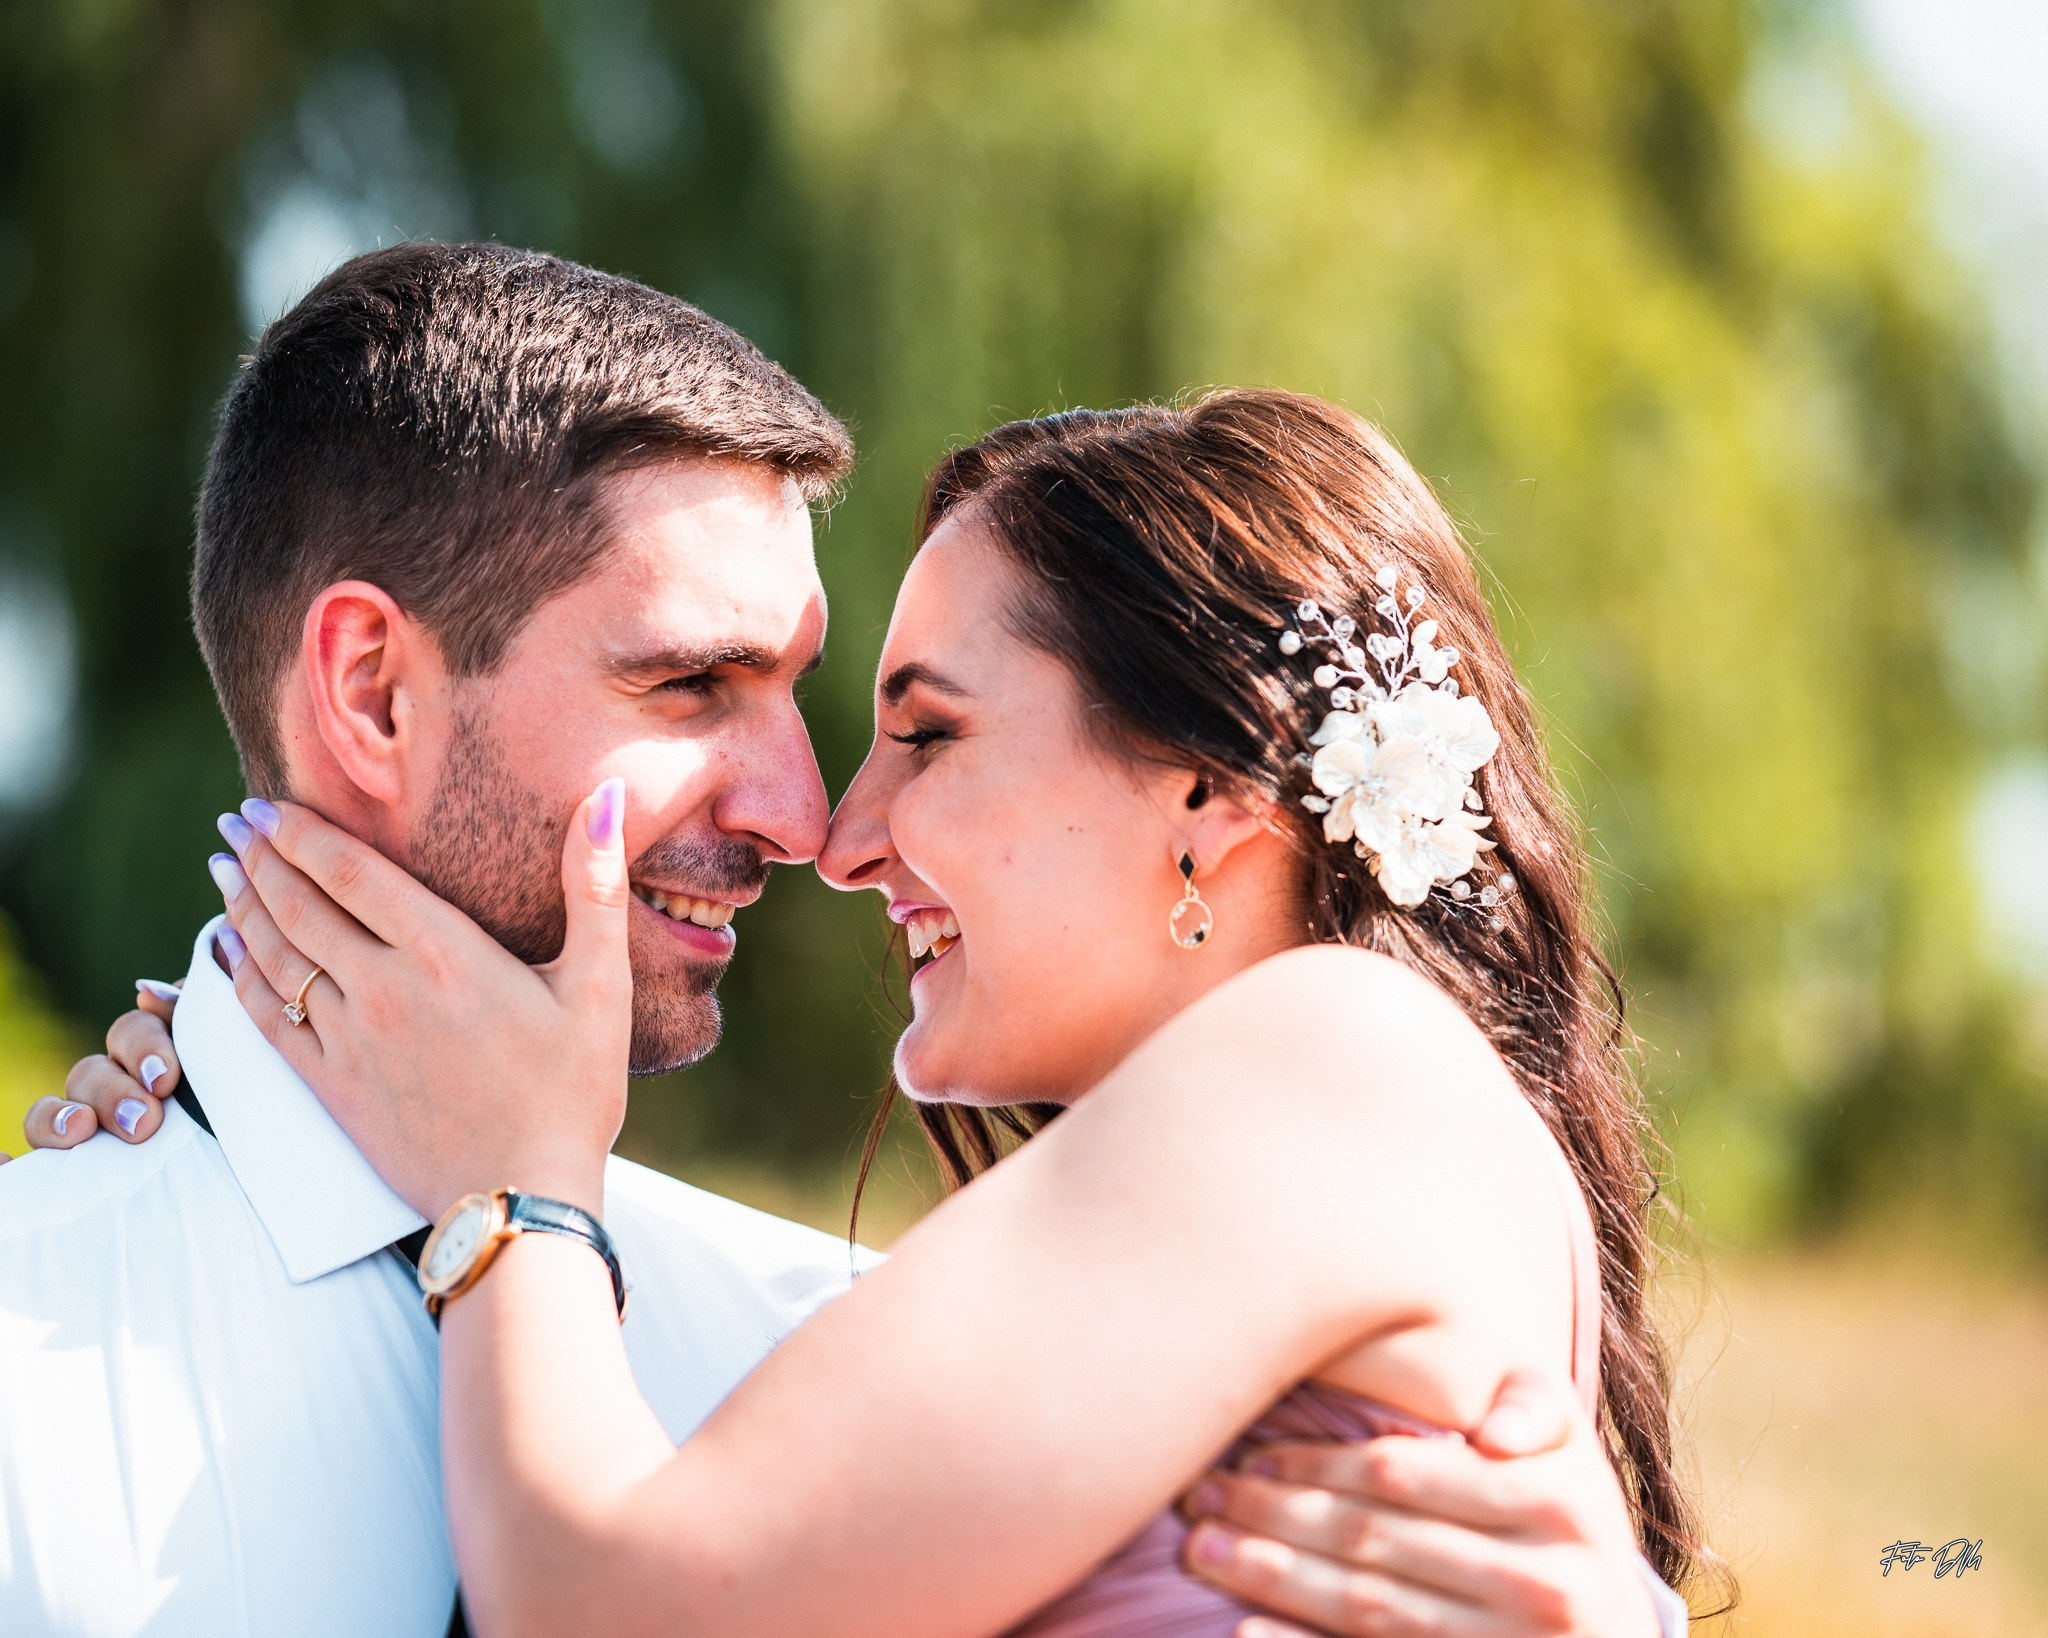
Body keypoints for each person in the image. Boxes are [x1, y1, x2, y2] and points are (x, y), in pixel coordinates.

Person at [0, 246, 1686, 1638]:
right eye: (693, 682)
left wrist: (512, 1198)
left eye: (921, 728)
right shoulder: (48, 1332)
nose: (821, 822)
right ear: (371, 689)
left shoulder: (796, 1338)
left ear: (1213, 796)